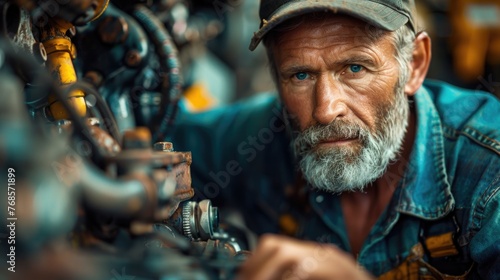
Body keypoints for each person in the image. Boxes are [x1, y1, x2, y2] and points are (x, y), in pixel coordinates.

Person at [170, 0, 500, 279]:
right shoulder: (260, 137)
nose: (326, 109)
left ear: (414, 65)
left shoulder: (489, 173)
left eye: (355, 68)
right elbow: (162, 143)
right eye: (300, 75)